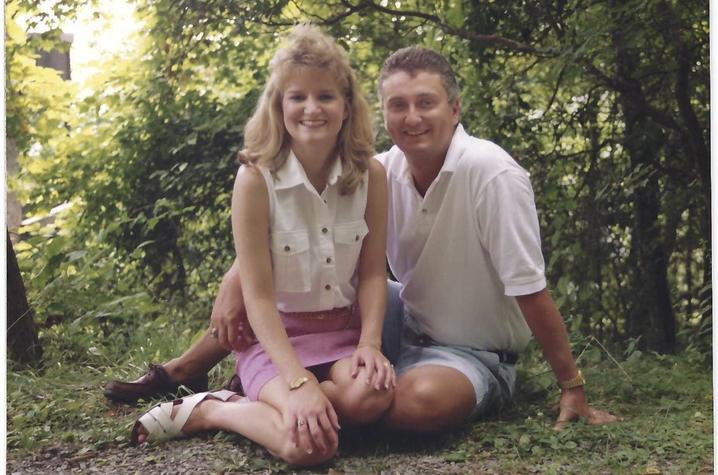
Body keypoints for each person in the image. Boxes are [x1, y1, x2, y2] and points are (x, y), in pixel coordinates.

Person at [108, 45, 617, 432]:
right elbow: (303, 233)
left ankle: (250, 397)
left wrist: (571, 386)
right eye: (398, 105)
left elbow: (530, 288)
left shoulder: (491, 175)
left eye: (426, 103)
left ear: (455, 109)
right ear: (381, 111)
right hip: (405, 318)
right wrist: (234, 277)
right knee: (282, 292)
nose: (412, 118)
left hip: (470, 348)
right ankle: (180, 372)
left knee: (413, 406)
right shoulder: (380, 170)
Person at [127, 25, 394, 466]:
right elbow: (259, 296)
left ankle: (293, 408)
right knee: (310, 447)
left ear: (346, 106)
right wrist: (296, 381)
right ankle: (215, 409)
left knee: (373, 395)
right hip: (277, 340)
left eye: (326, 96)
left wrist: (369, 344)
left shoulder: (370, 176)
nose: (312, 108)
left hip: (342, 334)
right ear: (279, 106)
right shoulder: (255, 180)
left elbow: (371, 273)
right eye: (298, 97)